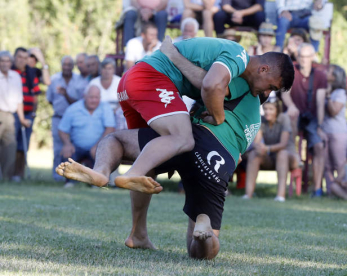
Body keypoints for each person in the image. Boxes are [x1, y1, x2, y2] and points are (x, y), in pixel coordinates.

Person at [56, 57, 261, 260]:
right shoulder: (253, 116)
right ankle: (202, 227)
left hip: (186, 138)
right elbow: (239, 155)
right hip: (217, 158)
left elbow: (208, 86)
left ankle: (103, 172)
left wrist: (172, 53)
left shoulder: (230, 77)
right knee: (198, 253)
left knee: (117, 140)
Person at [114, 36, 294, 192]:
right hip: (150, 78)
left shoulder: (230, 70)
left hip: (131, 81)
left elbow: (205, 85)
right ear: (263, 69)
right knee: (182, 138)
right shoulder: (239, 56)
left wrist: (174, 55)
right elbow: (210, 85)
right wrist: (219, 117)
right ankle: (132, 173)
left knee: (148, 157)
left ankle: (134, 225)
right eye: (271, 87)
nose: (267, 93)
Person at [280, 43, 326, 197]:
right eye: (301, 56)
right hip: (295, 115)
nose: (304, 60)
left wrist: (320, 125)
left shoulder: (319, 75)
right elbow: (284, 92)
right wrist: (292, 106)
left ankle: (317, 188)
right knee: (290, 116)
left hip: (312, 116)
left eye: (307, 57)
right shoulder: (291, 69)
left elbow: (320, 102)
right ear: (297, 57)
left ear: (313, 57)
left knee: (319, 146)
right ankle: (294, 155)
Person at [58, 85, 115, 187]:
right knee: (67, 152)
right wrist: (67, 144)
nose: (94, 100)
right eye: (91, 97)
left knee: (103, 153)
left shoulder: (105, 108)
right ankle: (70, 182)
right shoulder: (73, 109)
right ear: (84, 96)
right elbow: (62, 129)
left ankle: (98, 182)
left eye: (96, 97)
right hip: (77, 147)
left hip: (98, 146)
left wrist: (99, 145)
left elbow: (110, 128)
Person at [243, 99, 299, 202]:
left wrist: (267, 148)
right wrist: (257, 146)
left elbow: (283, 144)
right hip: (270, 157)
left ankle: (280, 196)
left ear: (277, 110)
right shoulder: (261, 119)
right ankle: (248, 195)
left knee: (282, 153)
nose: (267, 112)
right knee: (254, 154)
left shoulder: (284, 119)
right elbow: (257, 140)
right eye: (265, 109)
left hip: (288, 157)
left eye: (271, 109)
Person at [47, 56, 82, 181]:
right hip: (58, 118)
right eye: (65, 64)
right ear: (61, 66)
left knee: (73, 147)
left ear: (73, 66)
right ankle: (57, 175)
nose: (67, 67)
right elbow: (50, 100)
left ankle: (72, 175)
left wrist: (66, 94)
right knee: (57, 148)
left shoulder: (79, 80)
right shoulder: (54, 79)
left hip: (74, 120)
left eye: (69, 65)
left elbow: (80, 102)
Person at [11, 47, 41, 182]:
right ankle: (8, 173)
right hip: (12, 114)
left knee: (23, 146)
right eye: (19, 57)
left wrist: (34, 112)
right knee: (11, 144)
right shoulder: (10, 72)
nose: (22, 60)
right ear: (14, 57)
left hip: (28, 114)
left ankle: (19, 174)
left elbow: (36, 94)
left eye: (24, 57)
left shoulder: (30, 73)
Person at [0, 51, 31, 180]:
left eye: (7, 61)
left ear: (11, 63)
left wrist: (22, 118)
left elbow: (19, 99)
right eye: (2, 60)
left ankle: (6, 178)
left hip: (12, 116)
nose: (5, 63)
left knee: (10, 146)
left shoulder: (16, 77)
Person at [322, 64, 347, 194]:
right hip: (324, 131)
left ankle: (343, 189)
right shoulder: (325, 89)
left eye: (329, 72)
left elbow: (334, 111)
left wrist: (327, 97)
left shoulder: (340, 93)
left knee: (339, 164)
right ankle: (329, 191)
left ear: (335, 77)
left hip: (338, 133)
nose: (326, 73)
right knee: (327, 165)